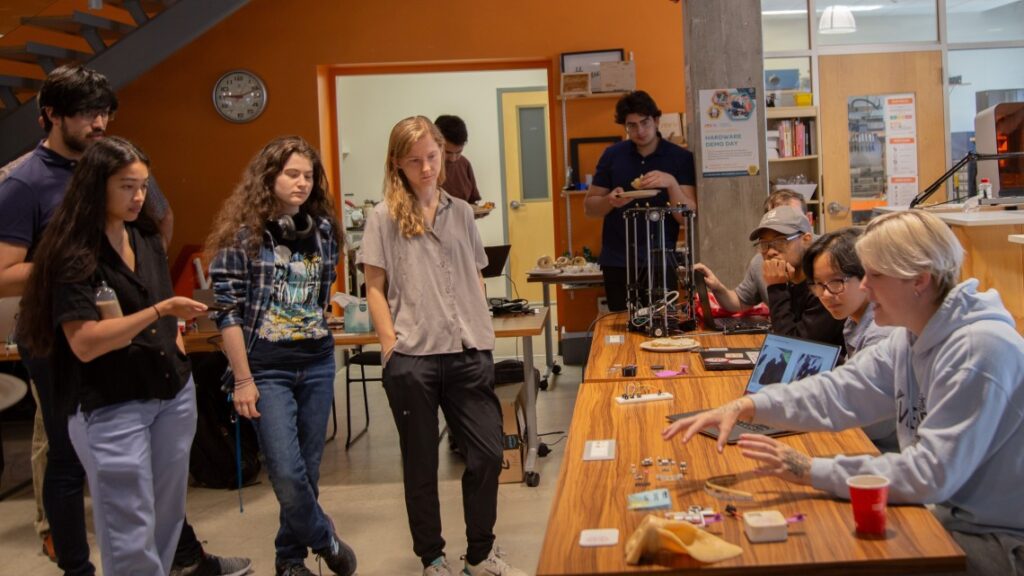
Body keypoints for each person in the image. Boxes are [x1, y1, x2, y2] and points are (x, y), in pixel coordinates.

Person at [663, 210, 1024, 576]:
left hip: (999, 540)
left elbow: (929, 474)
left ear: (919, 280)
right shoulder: (910, 335)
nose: (864, 287)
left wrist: (811, 469)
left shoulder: (979, 351)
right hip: (948, 515)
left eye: (875, 275)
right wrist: (749, 405)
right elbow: (839, 390)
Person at [0, 64, 248, 576]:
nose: (99, 124)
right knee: (70, 456)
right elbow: (2, 275)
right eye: (87, 115)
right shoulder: (23, 182)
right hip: (59, 335)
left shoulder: (117, 165)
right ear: (51, 115)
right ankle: (77, 565)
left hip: (136, 329)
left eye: (105, 113)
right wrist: (77, 264)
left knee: (159, 470)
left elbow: (161, 221)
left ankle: (181, 556)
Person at [17, 137, 206, 574]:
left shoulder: (144, 237)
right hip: (110, 401)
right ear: (95, 185)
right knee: (128, 528)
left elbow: (159, 306)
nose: (139, 197)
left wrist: (172, 337)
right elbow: (85, 342)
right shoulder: (71, 253)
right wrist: (160, 311)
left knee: (166, 517)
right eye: (127, 187)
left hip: (170, 392)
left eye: (143, 186)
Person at [358, 116, 526, 576]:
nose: (428, 168)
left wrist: (481, 328)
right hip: (412, 358)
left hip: (468, 351)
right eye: (415, 161)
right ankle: (432, 556)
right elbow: (375, 287)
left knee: (488, 454)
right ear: (397, 164)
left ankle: (479, 553)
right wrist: (390, 346)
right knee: (421, 464)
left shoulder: (462, 212)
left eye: (433, 157)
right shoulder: (382, 217)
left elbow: (475, 273)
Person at [207, 136, 355, 576]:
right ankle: (325, 538)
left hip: (316, 362)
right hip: (266, 369)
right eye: (292, 174)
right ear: (269, 177)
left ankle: (289, 561)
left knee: (307, 473)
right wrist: (242, 378)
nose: (302, 183)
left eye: (308, 176)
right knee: (286, 473)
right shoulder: (243, 237)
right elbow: (227, 312)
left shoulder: (324, 232)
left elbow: (319, 293)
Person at [583, 90, 697, 312]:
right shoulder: (612, 155)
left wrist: (671, 183)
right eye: (631, 126)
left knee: (663, 326)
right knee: (620, 327)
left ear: (656, 120)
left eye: (644, 123)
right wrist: (609, 201)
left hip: (661, 261)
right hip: (618, 260)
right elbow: (590, 208)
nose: (640, 131)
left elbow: (686, 217)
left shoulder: (679, 157)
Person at [803, 227, 897, 451]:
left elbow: (873, 423)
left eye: (836, 282)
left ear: (867, 277)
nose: (825, 294)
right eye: (818, 284)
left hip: (884, 453)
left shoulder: (880, 332)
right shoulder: (854, 320)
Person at [743, 205, 844, 346]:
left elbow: (791, 348)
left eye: (780, 242)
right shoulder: (790, 279)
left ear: (806, 239)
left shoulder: (823, 287)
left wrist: (776, 287)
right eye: (764, 244)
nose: (771, 252)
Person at [695, 188, 807, 313]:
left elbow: (798, 331)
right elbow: (740, 302)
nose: (771, 251)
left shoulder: (821, 262)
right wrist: (717, 287)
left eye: (790, 217)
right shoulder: (760, 261)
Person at [434, 114, 482, 205]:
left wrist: (477, 211)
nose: (453, 159)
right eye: (447, 152)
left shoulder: (464, 163)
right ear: (435, 143)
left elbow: (473, 201)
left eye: (458, 152)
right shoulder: (425, 167)